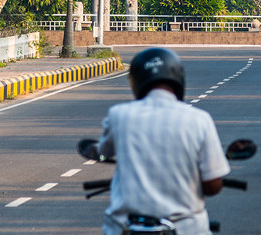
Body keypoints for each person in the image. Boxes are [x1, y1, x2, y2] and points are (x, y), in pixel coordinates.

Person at [97, 48, 230, 235]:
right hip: (186, 228)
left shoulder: (119, 115)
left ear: (136, 82)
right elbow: (213, 185)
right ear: (178, 79)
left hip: (126, 227)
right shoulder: (199, 119)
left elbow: (103, 151)